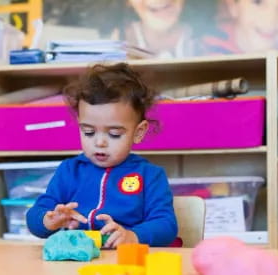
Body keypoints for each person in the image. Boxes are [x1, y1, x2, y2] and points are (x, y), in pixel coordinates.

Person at [26, 63, 178, 248]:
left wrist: (133, 236)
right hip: (77, 261)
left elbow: (166, 225)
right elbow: (35, 216)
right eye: (89, 132)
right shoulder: (70, 170)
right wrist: (48, 220)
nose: (99, 143)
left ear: (139, 132)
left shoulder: (150, 175)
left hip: (126, 260)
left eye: (114, 134)